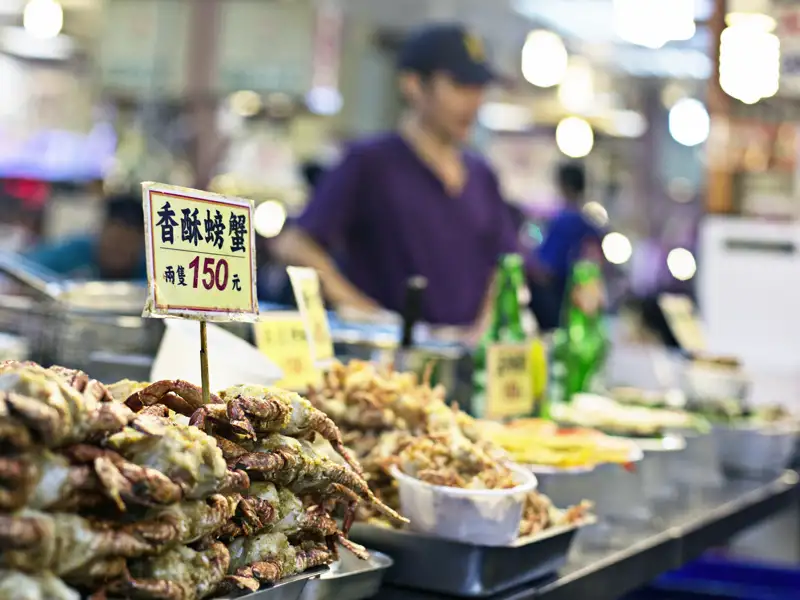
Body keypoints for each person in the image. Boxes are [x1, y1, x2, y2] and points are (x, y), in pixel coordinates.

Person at [274, 23, 518, 328]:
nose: (474, 101)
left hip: (462, 360)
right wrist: (362, 310)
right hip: (387, 362)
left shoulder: (482, 175)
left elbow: (505, 263)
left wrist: (484, 328)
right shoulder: (370, 161)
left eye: (479, 89)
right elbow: (296, 244)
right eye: (459, 86)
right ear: (413, 85)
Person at [530, 162, 603, 330]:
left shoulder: (563, 220)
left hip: (558, 291)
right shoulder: (588, 223)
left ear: (564, 185)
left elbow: (546, 264)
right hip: (582, 291)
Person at [24, 193, 146, 280]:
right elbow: (26, 267)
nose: (117, 250)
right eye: (113, 241)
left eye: (126, 244)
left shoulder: (151, 273)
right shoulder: (76, 253)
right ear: (100, 231)